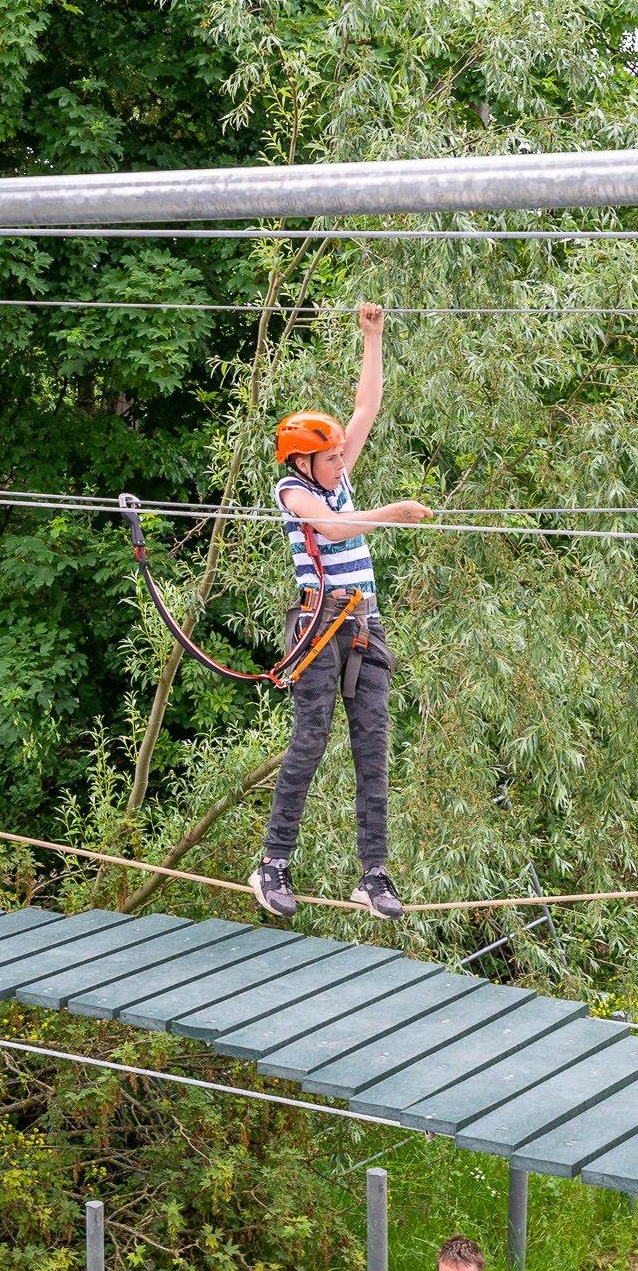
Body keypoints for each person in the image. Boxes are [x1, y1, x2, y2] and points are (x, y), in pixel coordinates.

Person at [251, 302, 430, 921]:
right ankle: (273, 863)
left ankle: (373, 874)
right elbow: (330, 530)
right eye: (330, 458)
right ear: (303, 461)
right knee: (310, 738)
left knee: (373, 745)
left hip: (364, 624)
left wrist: (372, 338)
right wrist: (392, 514)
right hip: (319, 623)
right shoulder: (293, 490)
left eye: (339, 457)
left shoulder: (336, 474)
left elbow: (366, 406)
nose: (340, 462)